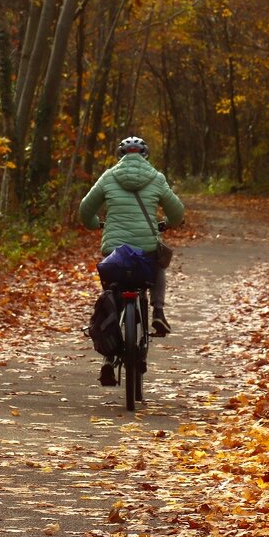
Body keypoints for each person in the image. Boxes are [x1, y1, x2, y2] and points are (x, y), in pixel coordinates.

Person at [79, 136, 185, 385]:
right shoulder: (156, 178)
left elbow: (85, 209)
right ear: (145, 156)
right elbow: (177, 212)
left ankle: (107, 359)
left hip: (115, 252)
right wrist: (168, 223)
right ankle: (158, 311)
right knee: (158, 264)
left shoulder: (108, 177)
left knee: (112, 294)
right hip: (145, 249)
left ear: (121, 156)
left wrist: (95, 224)